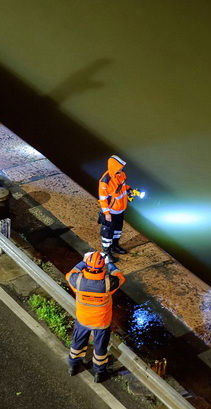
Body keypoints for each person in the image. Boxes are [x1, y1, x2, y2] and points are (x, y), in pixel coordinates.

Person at [66, 251, 125, 383]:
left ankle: (73, 367)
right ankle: (99, 374)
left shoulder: (78, 281)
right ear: (102, 268)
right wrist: (110, 264)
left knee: (77, 343)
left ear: (86, 266)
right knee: (100, 348)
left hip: (83, 319)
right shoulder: (109, 284)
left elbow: (69, 274)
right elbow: (120, 277)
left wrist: (83, 261)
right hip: (101, 322)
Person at [98, 155, 133, 263]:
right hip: (111, 212)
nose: (121, 168)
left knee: (118, 229)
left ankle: (115, 246)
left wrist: (129, 190)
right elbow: (103, 199)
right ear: (114, 167)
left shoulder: (121, 174)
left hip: (120, 209)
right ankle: (107, 252)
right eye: (119, 167)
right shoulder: (105, 181)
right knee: (107, 232)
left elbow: (123, 187)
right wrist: (107, 213)